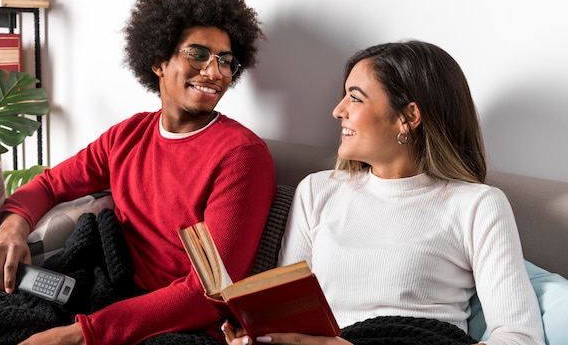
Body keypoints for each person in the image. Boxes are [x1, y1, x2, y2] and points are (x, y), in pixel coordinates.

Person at [0, 0, 277, 345]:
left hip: (180, 325)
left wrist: (79, 335)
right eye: (198, 54)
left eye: (226, 61)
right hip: (104, 290)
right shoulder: (128, 136)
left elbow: (210, 292)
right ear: (158, 62)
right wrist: (10, 232)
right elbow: (49, 186)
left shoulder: (241, 156)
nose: (214, 72)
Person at [222, 40, 544, 345]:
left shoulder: (477, 205)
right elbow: (283, 318)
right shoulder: (317, 192)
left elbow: (520, 338)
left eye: (356, 97)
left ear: (408, 117)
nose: (338, 110)